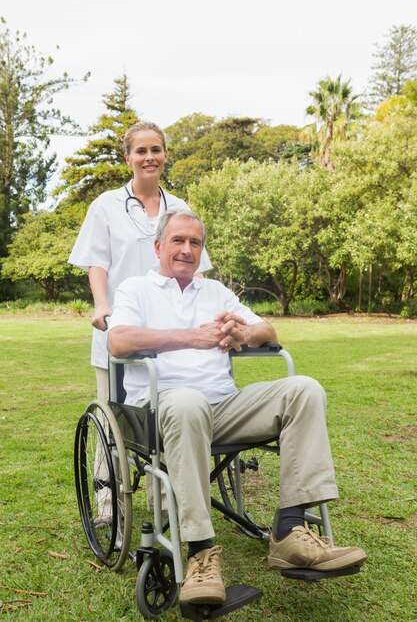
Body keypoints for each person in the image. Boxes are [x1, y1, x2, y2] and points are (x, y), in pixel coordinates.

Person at [107, 210, 367, 606]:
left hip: (224, 406)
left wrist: (244, 332)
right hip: (162, 410)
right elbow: (119, 341)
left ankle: (290, 532)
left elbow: (269, 332)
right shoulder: (135, 289)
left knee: (304, 390)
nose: (187, 249)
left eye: (195, 242)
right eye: (178, 240)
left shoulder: (215, 292)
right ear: (159, 246)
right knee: (188, 402)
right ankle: (199, 552)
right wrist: (190, 338)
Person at [68, 121, 212, 402]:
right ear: (128, 158)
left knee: (171, 410)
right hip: (120, 323)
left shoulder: (180, 208)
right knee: (116, 421)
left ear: (165, 155)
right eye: (141, 151)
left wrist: (207, 309)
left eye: (156, 150)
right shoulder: (106, 205)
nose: (149, 157)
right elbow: (96, 262)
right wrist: (101, 305)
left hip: (171, 329)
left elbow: (195, 268)